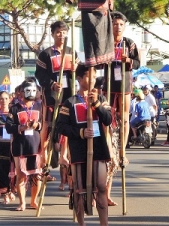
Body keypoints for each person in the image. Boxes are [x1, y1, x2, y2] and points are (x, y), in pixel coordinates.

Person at [56, 64, 112, 226]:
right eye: (89, 76)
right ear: (79, 79)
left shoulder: (101, 99)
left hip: (99, 149)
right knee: (79, 190)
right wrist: (80, 133)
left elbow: (108, 120)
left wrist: (96, 105)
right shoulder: (69, 102)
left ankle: (104, 223)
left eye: (95, 76)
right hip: (79, 152)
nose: (92, 79)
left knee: (101, 186)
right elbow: (61, 126)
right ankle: (81, 223)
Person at [102, 10, 140, 206]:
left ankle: (123, 149)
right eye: (115, 24)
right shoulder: (106, 42)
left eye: (120, 25)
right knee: (108, 119)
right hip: (108, 87)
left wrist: (128, 61)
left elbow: (138, 62)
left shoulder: (129, 43)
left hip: (124, 84)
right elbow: (98, 62)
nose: (117, 27)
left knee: (124, 118)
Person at [35, 20, 78, 191]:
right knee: (47, 124)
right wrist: (52, 84)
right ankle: (43, 158)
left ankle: (64, 157)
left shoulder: (71, 52)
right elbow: (40, 75)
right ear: (53, 34)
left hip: (68, 95)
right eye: (58, 32)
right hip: (52, 96)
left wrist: (76, 68)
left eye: (64, 32)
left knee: (67, 126)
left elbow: (80, 73)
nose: (62, 35)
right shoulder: (45, 54)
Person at [5, 80, 46, 211]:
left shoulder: (40, 106)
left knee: (37, 175)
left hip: (35, 145)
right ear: (21, 92)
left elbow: (44, 125)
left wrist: (37, 125)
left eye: (34, 90)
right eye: (28, 90)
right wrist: (21, 127)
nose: (31, 93)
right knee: (21, 175)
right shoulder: (14, 108)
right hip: (20, 146)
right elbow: (8, 127)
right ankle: (22, 202)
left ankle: (33, 200)